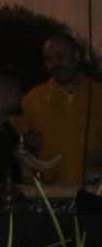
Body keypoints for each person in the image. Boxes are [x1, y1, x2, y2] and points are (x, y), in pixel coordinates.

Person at [12, 33, 102, 184]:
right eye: (48, 59)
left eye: (60, 57)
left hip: (95, 191)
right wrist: (24, 141)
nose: (55, 64)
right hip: (50, 192)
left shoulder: (98, 95)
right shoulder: (33, 99)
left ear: (77, 56)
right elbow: (13, 143)